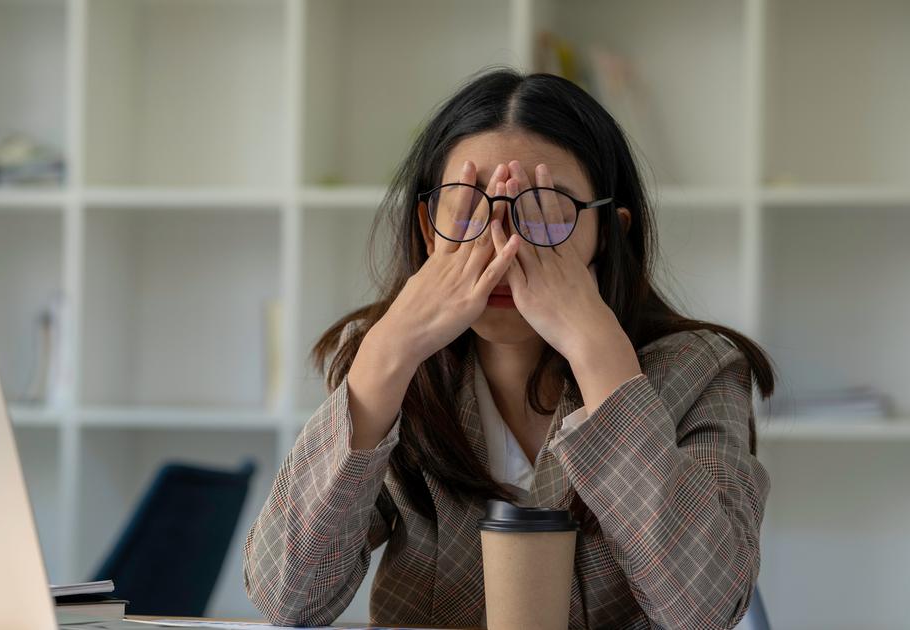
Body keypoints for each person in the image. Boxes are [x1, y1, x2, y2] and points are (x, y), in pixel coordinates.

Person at [243, 67, 774, 630]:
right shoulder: (391, 366)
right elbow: (287, 599)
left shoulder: (700, 369)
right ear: (429, 229)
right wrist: (386, 355)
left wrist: (601, 356)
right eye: (469, 207)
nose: (502, 244)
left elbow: (705, 611)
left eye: (543, 209)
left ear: (611, 233)